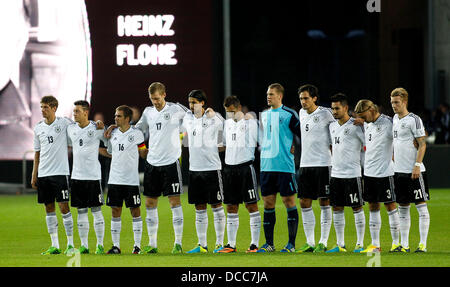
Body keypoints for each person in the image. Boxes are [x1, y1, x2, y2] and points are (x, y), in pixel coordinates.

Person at [134, 82, 188, 254]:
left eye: (157, 98)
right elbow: (137, 130)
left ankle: (178, 243)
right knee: (150, 203)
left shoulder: (175, 109)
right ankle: (152, 244)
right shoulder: (148, 112)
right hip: (152, 163)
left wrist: (205, 113)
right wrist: (142, 148)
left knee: (174, 202)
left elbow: (194, 117)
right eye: (152, 99)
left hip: (171, 162)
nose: (155, 102)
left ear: (164, 94)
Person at [257, 83, 300, 253]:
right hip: (267, 166)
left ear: (280, 96)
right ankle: (269, 244)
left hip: (284, 166)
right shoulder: (264, 115)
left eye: (272, 94)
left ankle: (291, 244)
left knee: (289, 202)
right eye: (267, 94)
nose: (268, 97)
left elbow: (301, 135)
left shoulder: (289, 114)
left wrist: (294, 147)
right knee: (268, 203)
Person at [354, 99, 401, 253]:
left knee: (390, 206)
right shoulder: (366, 124)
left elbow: (400, 139)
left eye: (363, 115)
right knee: (373, 207)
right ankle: (375, 245)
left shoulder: (389, 123)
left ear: (371, 109)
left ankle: (396, 243)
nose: (362, 118)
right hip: (369, 174)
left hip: (386, 173)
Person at [182, 89, 226, 254]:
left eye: (194, 102)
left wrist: (214, 114)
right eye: (190, 102)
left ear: (202, 103)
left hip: (212, 169)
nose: (191, 105)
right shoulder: (188, 118)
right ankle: (202, 245)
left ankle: (219, 244)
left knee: (216, 206)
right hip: (194, 169)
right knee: (199, 208)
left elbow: (225, 124)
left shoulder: (214, 118)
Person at [31, 95, 75, 255]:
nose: (43, 110)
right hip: (44, 174)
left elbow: (79, 131)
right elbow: (37, 153)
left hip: (60, 173)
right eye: (41, 107)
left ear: (54, 108)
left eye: (46, 107)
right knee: (49, 208)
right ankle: (54, 245)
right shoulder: (38, 128)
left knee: (64, 207)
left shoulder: (64, 124)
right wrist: (34, 174)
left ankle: (70, 244)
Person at [218, 96, 261, 253]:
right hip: (229, 169)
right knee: (231, 206)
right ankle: (231, 244)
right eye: (228, 112)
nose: (230, 115)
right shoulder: (226, 124)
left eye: (233, 111)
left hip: (245, 168)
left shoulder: (251, 123)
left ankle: (254, 244)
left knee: (251, 205)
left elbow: (263, 141)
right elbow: (221, 145)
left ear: (239, 108)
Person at [296, 84, 334, 253]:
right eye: (301, 99)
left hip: (323, 164)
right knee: (304, 202)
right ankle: (310, 242)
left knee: (324, 201)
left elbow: (339, 128)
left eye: (306, 98)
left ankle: (323, 241)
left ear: (314, 98)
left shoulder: (326, 113)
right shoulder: (301, 113)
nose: (303, 102)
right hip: (305, 164)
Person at [390, 88, 430, 253]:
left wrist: (417, 165)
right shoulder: (394, 119)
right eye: (392, 102)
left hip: (414, 171)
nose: (394, 105)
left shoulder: (414, 119)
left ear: (404, 102)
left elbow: (422, 143)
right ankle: (404, 245)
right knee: (403, 208)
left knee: (421, 207)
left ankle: (422, 245)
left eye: (397, 102)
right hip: (399, 171)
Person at [326, 93, 366, 253]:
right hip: (336, 174)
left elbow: (368, 143)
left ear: (346, 108)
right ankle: (340, 244)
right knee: (337, 208)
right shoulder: (332, 126)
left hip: (352, 174)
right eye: (332, 109)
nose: (334, 111)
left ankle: (360, 243)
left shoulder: (356, 125)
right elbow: (332, 146)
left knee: (357, 208)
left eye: (337, 108)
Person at [105, 105, 146, 254]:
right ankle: (116, 246)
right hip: (115, 179)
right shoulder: (112, 134)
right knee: (115, 211)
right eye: (115, 115)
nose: (115, 118)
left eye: (119, 116)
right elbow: (110, 152)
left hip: (131, 180)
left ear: (127, 118)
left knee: (135, 211)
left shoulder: (137, 134)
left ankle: (137, 246)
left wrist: (146, 152)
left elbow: (142, 151)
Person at [67, 100, 107, 254]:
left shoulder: (97, 128)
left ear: (85, 112)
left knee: (96, 210)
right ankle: (84, 245)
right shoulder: (71, 129)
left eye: (77, 111)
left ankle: (100, 245)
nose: (74, 114)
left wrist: (105, 129)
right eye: (74, 111)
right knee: (81, 211)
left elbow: (109, 141)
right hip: (77, 176)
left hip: (93, 176)